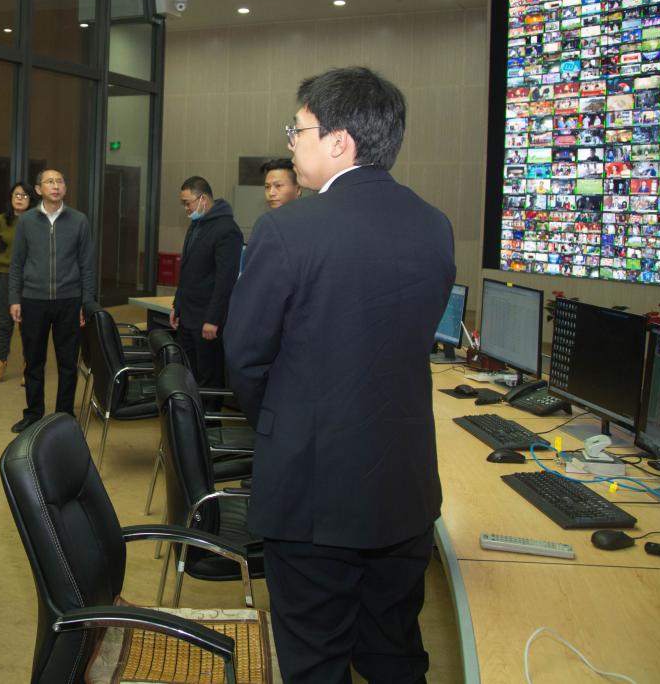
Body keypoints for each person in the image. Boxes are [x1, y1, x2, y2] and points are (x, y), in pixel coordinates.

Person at [225, 67, 455, 682]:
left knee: (315, 661)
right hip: (403, 492)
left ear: (338, 141)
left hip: (313, 496)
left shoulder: (286, 229)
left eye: (297, 130)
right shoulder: (435, 225)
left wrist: (287, 424)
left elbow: (245, 359)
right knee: (394, 654)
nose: (290, 143)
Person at [8, 169, 96, 433]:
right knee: (33, 361)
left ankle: (64, 414)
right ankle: (33, 413)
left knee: (68, 362)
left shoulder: (79, 220)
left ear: (65, 189)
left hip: (69, 300)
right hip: (33, 300)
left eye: (60, 181)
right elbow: (17, 263)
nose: (55, 186)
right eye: (49, 182)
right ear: (38, 189)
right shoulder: (26, 221)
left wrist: (86, 302)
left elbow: (87, 265)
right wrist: (14, 298)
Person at [170, 176, 243, 390]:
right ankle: (190, 412)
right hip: (187, 315)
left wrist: (213, 319)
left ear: (203, 199)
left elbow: (225, 280)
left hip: (206, 320)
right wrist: (177, 305)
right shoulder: (196, 224)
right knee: (187, 373)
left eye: (188, 203)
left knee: (208, 378)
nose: (186, 208)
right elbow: (187, 271)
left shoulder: (227, 230)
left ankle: (208, 413)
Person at [0, 182, 33, 384]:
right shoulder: (1, 220)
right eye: (16, 195)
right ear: (11, 197)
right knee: (4, 323)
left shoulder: (36, 220)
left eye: (24, 195)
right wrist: (7, 262)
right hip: (6, 275)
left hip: (30, 278)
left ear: (31, 200)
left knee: (28, 324)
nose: (20, 198)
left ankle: (29, 366)